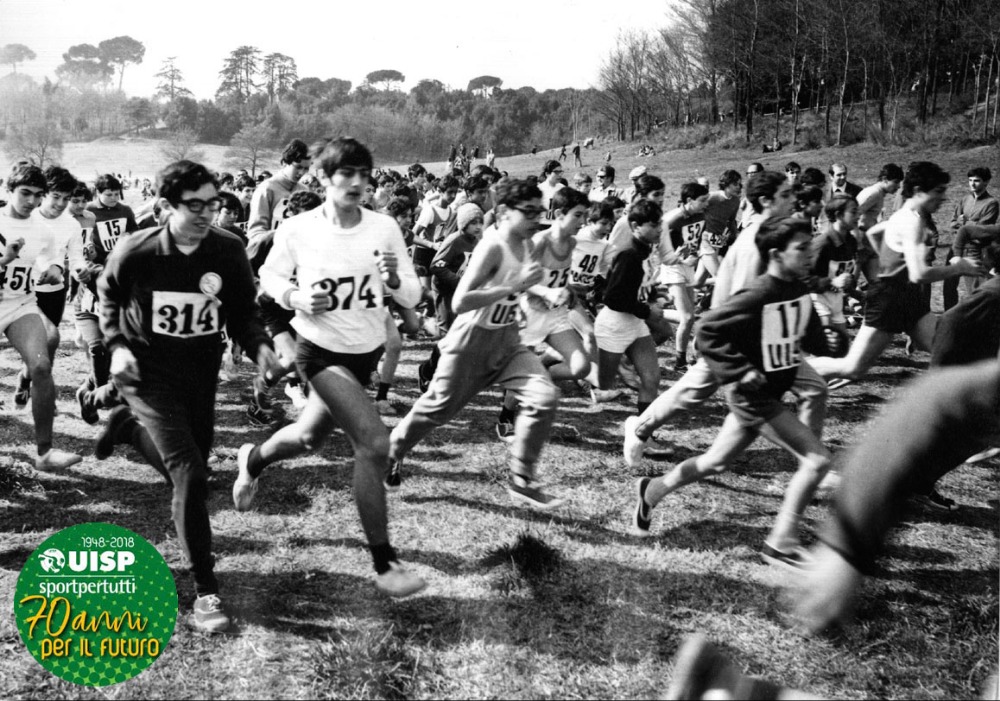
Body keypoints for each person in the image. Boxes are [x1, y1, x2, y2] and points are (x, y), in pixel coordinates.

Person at [232, 138, 426, 600]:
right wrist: (297, 297)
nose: (357, 183)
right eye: (346, 174)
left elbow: (412, 294)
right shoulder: (299, 228)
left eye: (364, 175)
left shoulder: (383, 227)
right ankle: (385, 563)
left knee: (308, 437)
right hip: (318, 351)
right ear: (322, 177)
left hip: (365, 352)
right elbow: (271, 277)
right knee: (374, 444)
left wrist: (394, 279)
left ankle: (252, 460)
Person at [94, 159, 281, 633]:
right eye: (193, 205)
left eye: (212, 204)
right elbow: (108, 296)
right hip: (146, 373)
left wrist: (260, 346)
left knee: (195, 466)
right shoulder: (137, 249)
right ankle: (205, 589)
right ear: (165, 206)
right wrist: (117, 347)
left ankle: (128, 429)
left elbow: (242, 311)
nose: (205, 214)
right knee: (192, 476)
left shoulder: (227, 249)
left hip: (200, 372)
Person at [631, 217, 844, 569]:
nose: (810, 254)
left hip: (768, 395)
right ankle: (781, 544)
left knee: (715, 462)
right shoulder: (759, 293)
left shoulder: (798, 289)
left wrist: (834, 337)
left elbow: (812, 339)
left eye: (811, 247)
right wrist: (741, 370)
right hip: (753, 398)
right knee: (817, 460)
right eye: (801, 248)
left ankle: (653, 490)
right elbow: (707, 330)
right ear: (776, 254)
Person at [621, 172, 830, 469]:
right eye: (785, 195)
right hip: (732, 341)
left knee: (814, 388)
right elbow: (738, 304)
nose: (792, 200)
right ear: (765, 201)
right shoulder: (753, 243)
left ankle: (810, 463)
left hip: (769, 339)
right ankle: (640, 428)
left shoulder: (778, 233)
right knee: (692, 392)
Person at [387, 179, 564, 510]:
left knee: (545, 396)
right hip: (471, 342)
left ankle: (522, 478)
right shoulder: (493, 246)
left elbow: (520, 283)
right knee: (436, 410)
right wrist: (515, 286)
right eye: (528, 212)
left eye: (538, 212)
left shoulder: (527, 242)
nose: (535, 219)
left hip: (507, 339)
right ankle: (394, 449)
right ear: (505, 212)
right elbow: (461, 301)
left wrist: (543, 291)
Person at [809, 162, 981, 385]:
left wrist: (888, 263)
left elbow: (874, 232)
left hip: (907, 297)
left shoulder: (905, 215)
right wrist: (959, 267)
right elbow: (919, 274)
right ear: (919, 191)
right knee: (852, 368)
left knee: (948, 350)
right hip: (888, 300)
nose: (943, 198)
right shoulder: (911, 221)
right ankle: (794, 371)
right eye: (938, 191)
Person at [0, 164, 82, 470]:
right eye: (25, 193)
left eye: (38, 195)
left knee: (41, 366)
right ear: (9, 190)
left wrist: (55, 269)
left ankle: (44, 453)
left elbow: (51, 259)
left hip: (20, 305)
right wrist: (4, 260)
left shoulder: (43, 230)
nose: (32, 201)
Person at [496, 187, 592, 440]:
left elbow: (559, 276)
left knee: (581, 367)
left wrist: (568, 289)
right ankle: (506, 417)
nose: (583, 221)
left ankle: (537, 377)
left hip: (556, 315)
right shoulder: (540, 241)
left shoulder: (572, 243)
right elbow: (519, 279)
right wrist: (547, 292)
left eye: (585, 215)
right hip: (531, 313)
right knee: (520, 370)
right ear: (559, 214)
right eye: (578, 215)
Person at [592, 200, 666, 426]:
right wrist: (647, 310)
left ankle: (643, 433)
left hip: (635, 324)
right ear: (635, 226)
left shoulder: (646, 252)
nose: (659, 229)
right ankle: (543, 371)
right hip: (613, 325)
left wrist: (655, 297)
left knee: (651, 379)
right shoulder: (629, 255)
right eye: (653, 225)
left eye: (660, 224)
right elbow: (613, 298)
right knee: (598, 380)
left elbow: (640, 285)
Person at [660, 183, 710, 373]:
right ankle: (679, 362)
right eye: (702, 200)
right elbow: (659, 248)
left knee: (689, 316)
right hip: (673, 267)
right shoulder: (672, 219)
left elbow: (697, 240)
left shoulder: (700, 215)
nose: (706, 204)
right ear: (689, 200)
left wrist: (696, 255)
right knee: (688, 317)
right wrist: (679, 257)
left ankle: (686, 359)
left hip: (688, 265)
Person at [943, 166, 998, 309]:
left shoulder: (991, 203)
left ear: (986, 182)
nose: (972, 184)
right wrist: (961, 223)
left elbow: (981, 229)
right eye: (970, 180)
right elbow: (953, 223)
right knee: (949, 286)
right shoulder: (965, 199)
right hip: (956, 247)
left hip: (973, 251)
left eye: (977, 181)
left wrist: (964, 223)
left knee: (973, 289)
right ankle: (949, 314)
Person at [807, 195, 859, 337]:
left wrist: (854, 290)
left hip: (836, 302)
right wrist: (831, 282)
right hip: (818, 301)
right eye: (853, 212)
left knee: (842, 345)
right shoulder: (822, 244)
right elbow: (804, 279)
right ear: (838, 215)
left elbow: (844, 274)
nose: (858, 216)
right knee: (828, 341)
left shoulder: (851, 242)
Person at [246, 138, 310, 244]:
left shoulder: (305, 190)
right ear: (284, 163)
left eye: (306, 168)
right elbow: (255, 231)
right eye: (298, 167)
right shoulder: (266, 189)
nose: (302, 173)